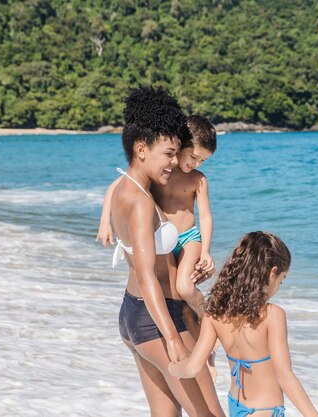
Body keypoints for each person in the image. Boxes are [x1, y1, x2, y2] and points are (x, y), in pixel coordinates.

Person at [109, 86, 224, 417]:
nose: (175, 162)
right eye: (169, 153)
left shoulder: (129, 189)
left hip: (135, 316)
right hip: (157, 321)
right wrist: (173, 338)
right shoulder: (141, 202)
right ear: (141, 149)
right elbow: (147, 277)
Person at [169, 232, 318, 417]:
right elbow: (285, 376)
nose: (278, 287)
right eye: (281, 281)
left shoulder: (214, 316)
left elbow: (193, 367)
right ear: (272, 272)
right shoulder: (273, 315)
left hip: (236, 407)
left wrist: (172, 368)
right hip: (265, 412)